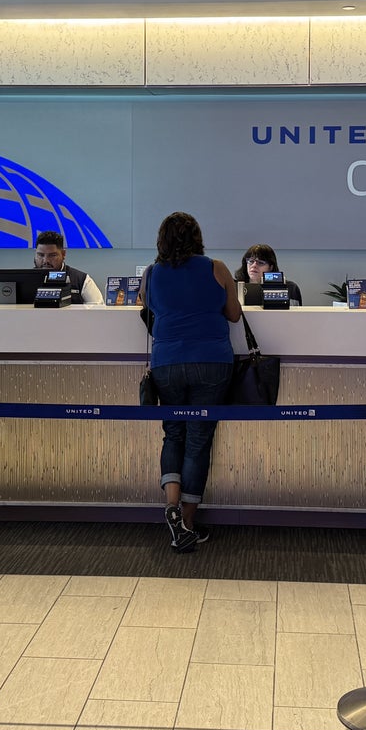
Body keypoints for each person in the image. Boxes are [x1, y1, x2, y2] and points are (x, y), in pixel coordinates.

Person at [145, 212, 242, 552]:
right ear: (198, 237)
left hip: (167, 362)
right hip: (212, 361)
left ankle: (171, 505)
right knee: (198, 439)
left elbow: (148, 308)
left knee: (173, 432)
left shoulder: (152, 273)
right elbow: (233, 314)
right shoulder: (216, 268)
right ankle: (186, 522)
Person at [33, 230, 103, 304]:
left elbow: (99, 310)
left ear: (63, 254)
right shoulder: (24, 279)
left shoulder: (81, 280)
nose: (45, 261)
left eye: (52, 255)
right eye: (40, 255)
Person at [234, 243, 303, 305]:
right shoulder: (234, 287)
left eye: (260, 262)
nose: (254, 265)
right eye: (251, 261)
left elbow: (296, 316)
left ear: (270, 267)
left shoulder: (290, 288)